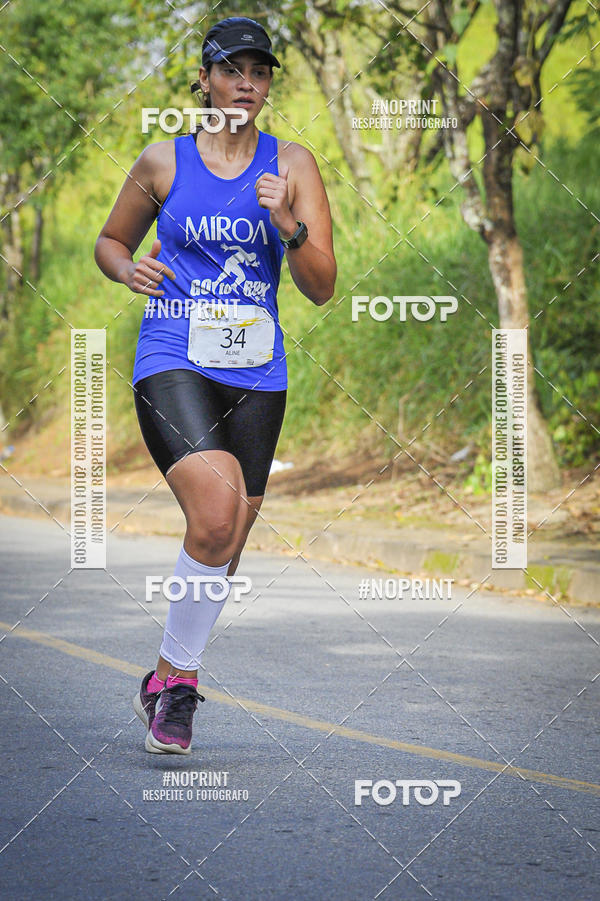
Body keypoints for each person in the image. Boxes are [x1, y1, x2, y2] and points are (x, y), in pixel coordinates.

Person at [94, 16, 336, 754]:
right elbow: (111, 241)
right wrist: (127, 268)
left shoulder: (292, 164)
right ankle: (185, 692)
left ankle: (165, 677)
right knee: (217, 506)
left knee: (226, 532)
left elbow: (321, 284)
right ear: (204, 78)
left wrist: (288, 223)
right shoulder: (162, 162)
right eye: (232, 70)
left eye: (259, 73)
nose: (246, 84)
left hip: (257, 369)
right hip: (173, 351)